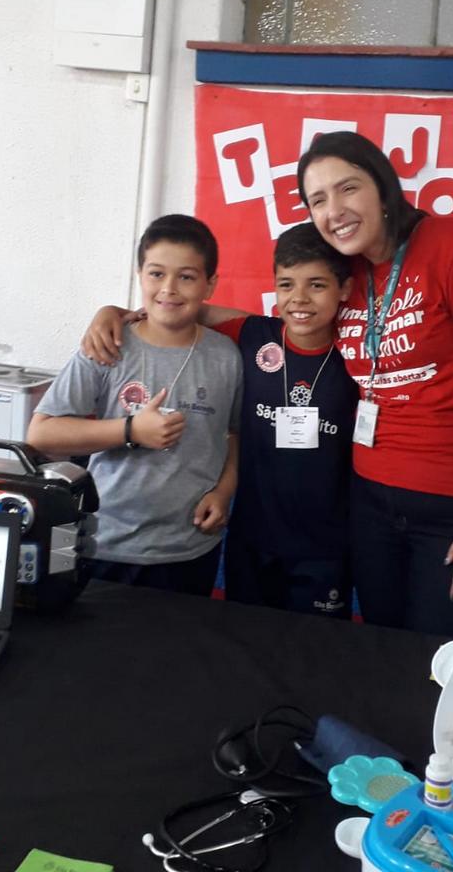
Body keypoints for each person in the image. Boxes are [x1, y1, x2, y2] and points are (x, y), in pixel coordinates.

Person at [297, 131, 453, 640]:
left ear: (384, 188)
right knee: (385, 656)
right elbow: (285, 322)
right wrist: (148, 316)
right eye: (317, 200)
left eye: (348, 188)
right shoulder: (345, 272)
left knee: (446, 666)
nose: (334, 211)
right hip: (374, 506)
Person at [83, 223, 358, 618]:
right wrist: (111, 312)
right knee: (240, 640)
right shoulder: (255, 335)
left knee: (316, 646)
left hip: (324, 546)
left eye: (316, 285)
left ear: (344, 289)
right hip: (251, 538)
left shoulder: (357, 355)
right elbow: (178, 306)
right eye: (286, 285)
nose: (299, 298)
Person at [28, 214, 241, 597]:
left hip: (190, 547)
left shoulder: (227, 356)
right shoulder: (107, 345)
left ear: (210, 284)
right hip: (105, 543)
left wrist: (224, 492)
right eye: (157, 274)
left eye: (186, 277)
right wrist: (130, 430)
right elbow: (42, 434)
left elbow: (233, 433)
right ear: (140, 275)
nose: (169, 288)